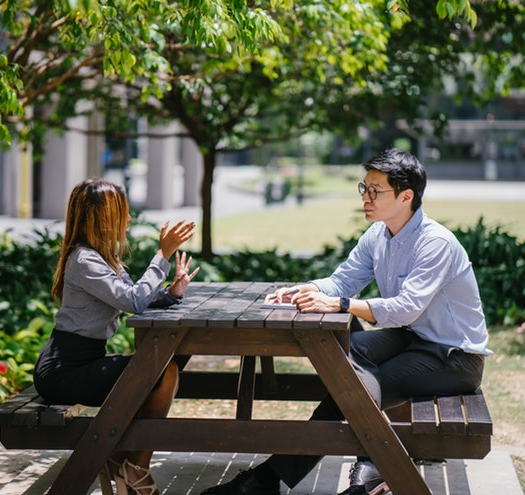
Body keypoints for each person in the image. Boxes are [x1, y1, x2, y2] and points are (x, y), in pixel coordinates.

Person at [201, 148, 491, 495]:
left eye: (375, 190)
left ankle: (272, 479)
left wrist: (339, 304)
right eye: (364, 188)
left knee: (351, 387)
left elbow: (405, 308)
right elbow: (342, 280)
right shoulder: (378, 236)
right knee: (343, 356)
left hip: (454, 356)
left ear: (406, 196)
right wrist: (302, 290)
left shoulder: (435, 243)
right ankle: (365, 468)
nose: (366, 198)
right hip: (411, 339)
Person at [33, 178, 200, 495]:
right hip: (63, 370)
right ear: (104, 218)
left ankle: (123, 460)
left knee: (161, 370)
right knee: (163, 372)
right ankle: (132, 468)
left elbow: (134, 296)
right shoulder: (84, 261)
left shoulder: (102, 258)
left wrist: (171, 293)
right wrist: (162, 255)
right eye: (123, 212)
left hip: (82, 361)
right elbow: (134, 302)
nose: (129, 220)